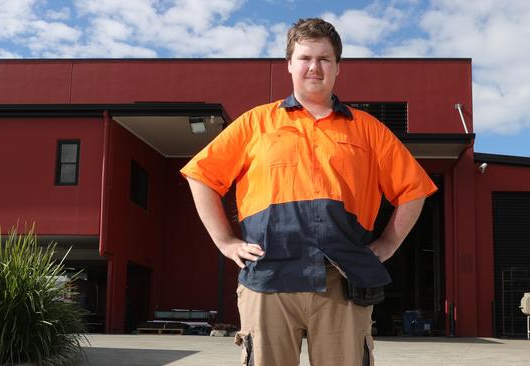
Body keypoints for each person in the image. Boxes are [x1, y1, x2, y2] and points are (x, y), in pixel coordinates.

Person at [181, 18, 437, 366]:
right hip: (268, 278)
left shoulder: (368, 130)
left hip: (343, 282)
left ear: (337, 67)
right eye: (305, 58)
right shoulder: (256, 123)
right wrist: (225, 241)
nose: (314, 67)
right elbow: (202, 176)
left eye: (324, 59)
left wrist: (388, 243)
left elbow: (414, 189)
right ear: (289, 64)